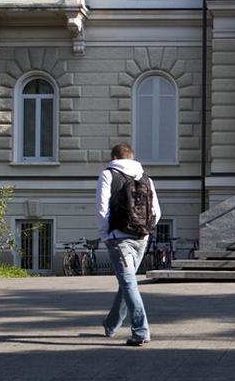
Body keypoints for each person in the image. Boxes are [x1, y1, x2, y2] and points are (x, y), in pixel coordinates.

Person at [97, 142, 160, 346]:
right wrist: (144, 230)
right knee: (128, 282)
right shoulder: (145, 177)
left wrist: (106, 234)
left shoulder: (108, 174)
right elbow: (157, 212)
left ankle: (141, 331)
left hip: (118, 237)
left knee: (128, 283)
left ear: (114, 158)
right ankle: (111, 324)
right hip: (142, 237)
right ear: (131, 158)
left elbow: (102, 209)